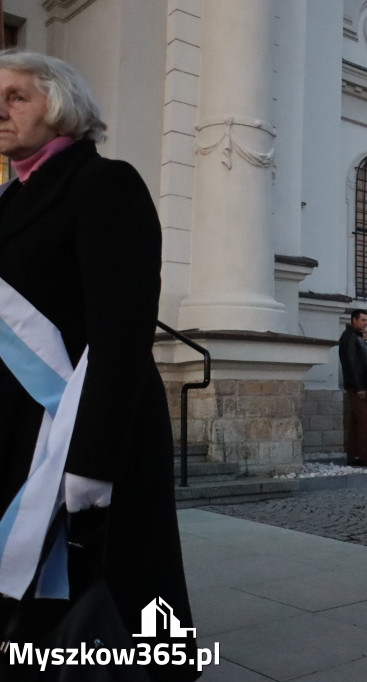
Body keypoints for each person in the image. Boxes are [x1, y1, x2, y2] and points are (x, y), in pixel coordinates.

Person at [0, 51, 197, 679]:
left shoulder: (105, 183)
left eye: (15, 97)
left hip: (85, 426)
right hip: (16, 428)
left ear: (59, 107)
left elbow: (121, 331)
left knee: (112, 581)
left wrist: (92, 460)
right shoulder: (6, 199)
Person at [339, 309, 367, 467]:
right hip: (356, 386)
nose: (366, 322)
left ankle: (354, 455)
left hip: (360, 385)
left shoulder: (356, 337)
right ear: (354, 320)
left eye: (366, 320)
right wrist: (360, 387)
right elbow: (352, 364)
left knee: (357, 420)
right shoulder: (350, 337)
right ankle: (362, 456)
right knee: (363, 419)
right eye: (363, 320)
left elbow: (362, 362)